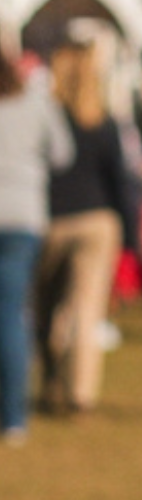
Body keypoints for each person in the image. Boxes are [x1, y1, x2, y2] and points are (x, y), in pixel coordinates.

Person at [35, 39, 139, 417]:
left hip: (51, 220)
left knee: (48, 311)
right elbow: (121, 181)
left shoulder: (45, 119)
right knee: (85, 311)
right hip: (96, 221)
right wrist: (131, 230)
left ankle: (50, 382)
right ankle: (79, 393)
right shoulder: (104, 122)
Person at [0, 46, 75, 443]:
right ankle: (13, 417)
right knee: (12, 316)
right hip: (22, 215)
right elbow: (62, 154)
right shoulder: (35, 104)